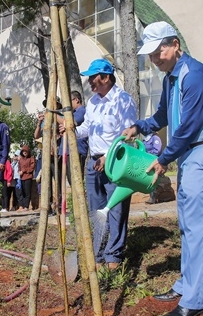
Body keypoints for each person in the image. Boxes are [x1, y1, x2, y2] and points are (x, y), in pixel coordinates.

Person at [123, 21, 203, 316]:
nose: (155, 58)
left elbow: (188, 127)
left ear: (174, 44)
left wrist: (164, 158)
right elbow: (163, 116)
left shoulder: (194, 75)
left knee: (199, 227)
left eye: (159, 51)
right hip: (190, 154)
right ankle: (185, 285)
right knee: (187, 223)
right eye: (151, 55)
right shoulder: (171, 78)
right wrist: (138, 127)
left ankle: (196, 300)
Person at [65, 58, 138, 271]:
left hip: (115, 161)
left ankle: (113, 254)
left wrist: (108, 156)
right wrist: (71, 132)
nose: (89, 82)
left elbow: (128, 135)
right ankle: (98, 253)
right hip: (93, 162)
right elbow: (86, 127)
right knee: (96, 210)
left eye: (93, 77)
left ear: (106, 77)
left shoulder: (123, 101)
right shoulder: (94, 102)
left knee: (115, 209)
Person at [66, 90, 88, 185]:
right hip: (70, 150)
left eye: (69, 101)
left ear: (76, 100)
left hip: (78, 149)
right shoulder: (73, 112)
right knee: (71, 180)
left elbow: (70, 123)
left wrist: (53, 115)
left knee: (77, 179)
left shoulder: (81, 111)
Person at [143, 132, 163, 205]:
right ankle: (151, 196)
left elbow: (157, 150)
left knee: (153, 178)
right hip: (147, 162)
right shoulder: (145, 140)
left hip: (155, 161)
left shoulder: (155, 138)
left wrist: (148, 154)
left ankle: (153, 198)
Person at [17, 145, 35, 211]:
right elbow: (19, 167)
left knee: (27, 192)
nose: (24, 152)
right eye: (23, 151)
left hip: (28, 177)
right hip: (22, 178)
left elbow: (32, 167)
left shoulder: (31, 158)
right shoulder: (20, 159)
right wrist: (19, 171)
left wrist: (24, 170)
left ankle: (26, 206)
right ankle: (24, 205)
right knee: (23, 192)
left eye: (26, 151)